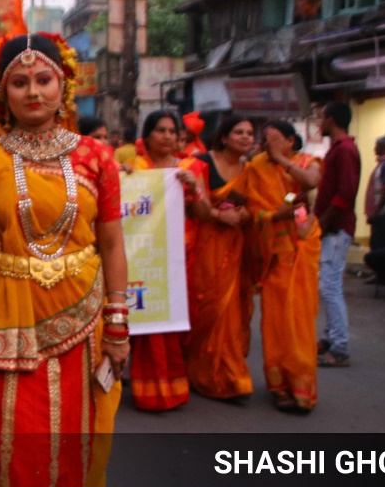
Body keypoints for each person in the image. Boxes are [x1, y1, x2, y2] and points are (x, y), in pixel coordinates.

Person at [0, 32, 127, 487]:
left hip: (83, 322)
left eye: (44, 79)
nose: (34, 92)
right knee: (8, 444)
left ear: (64, 85)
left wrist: (118, 322)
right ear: (2, 94)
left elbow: (113, 243)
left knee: (76, 442)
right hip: (4, 321)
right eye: (19, 82)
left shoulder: (96, 157)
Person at [242, 121, 323, 411]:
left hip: (302, 249)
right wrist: (275, 216)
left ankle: (302, 384)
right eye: (264, 140)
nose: (265, 144)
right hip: (274, 254)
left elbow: (311, 181)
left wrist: (279, 159)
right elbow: (251, 210)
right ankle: (278, 385)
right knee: (276, 322)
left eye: (272, 139)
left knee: (299, 321)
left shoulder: (307, 162)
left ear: (290, 141)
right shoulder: (256, 167)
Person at [126, 110, 201, 412]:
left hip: (181, 256)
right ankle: (147, 389)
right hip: (145, 256)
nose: (168, 136)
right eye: (161, 130)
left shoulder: (189, 168)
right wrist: (123, 179)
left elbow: (204, 211)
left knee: (176, 323)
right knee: (146, 322)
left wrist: (194, 188)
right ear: (146, 136)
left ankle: (176, 386)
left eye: (173, 131)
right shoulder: (134, 168)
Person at [179, 115, 255, 401]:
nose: (246, 137)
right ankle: (197, 371)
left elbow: (255, 204)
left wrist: (246, 215)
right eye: (239, 131)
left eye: (249, 132)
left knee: (230, 309)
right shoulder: (202, 162)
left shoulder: (249, 169)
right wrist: (219, 214)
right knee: (204, 305)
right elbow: (196, 205)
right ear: (224, 136)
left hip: (233, 243)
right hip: (204, 241)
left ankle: (229, 374)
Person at [314, 101, 360, 368]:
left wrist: (325, 220)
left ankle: (340, 345)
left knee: (330, 286)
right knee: (329, 284)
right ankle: (331, 338)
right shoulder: (341, 149)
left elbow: (346, 192)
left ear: (331, 119)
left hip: (337, 227)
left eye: (321, 117)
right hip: (335, 225)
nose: (319, 123)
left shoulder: (344, 150)